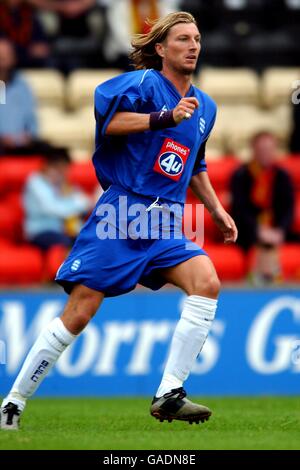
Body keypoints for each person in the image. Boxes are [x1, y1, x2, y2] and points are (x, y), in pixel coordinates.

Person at [0, 11, 237, 430]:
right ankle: (12, 403)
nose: (193, 45)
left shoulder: (206, 107)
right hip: (122, 215)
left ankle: (169, 393)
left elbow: (195, 163)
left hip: (165, 223)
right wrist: (164, 117)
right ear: (161, 49)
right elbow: (110, 123)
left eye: (197, 37)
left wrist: (216, 209)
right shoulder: (144, 84)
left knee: (208, 283)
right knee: (80, 310)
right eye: (182, 38)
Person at [231, 131, 294, 284]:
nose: (266, 154)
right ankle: (256, 283)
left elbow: (288, 208)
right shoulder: (241, 175)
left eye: (269, 150)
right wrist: (258, 230)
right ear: (254, 150)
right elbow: (239, 209)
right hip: (247, 232)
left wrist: (280, 230)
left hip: (276, 230)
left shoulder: (282, 176)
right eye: (262, 150)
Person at [23, 148, 91, 251]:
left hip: (64, 231)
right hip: (41, 232)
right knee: (68, 243)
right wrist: (75, 204)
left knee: (90, 240)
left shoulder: (63, 184)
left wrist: (72, 197)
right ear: (46, 166)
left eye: (64, 169)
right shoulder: (35, 182)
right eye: (58, 169)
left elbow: (87, 203)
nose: (61, 173)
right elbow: (53, 209)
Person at [0, 38, 51, 156]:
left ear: (13, 58)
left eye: (5, 56)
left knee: (49, 150)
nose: (2, 60)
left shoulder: (22, 85)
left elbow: (31, 119)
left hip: (21, 146)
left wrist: (28, 137)